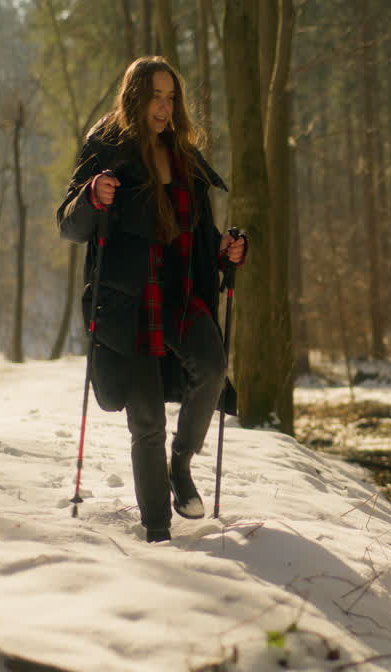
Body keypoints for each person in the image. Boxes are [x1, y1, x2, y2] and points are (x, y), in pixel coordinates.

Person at [57, 56, 246, 543]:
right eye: (155, 96)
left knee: (211, 365)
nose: (164, 107)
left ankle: (181, 465)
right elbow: (70, 226)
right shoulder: (106, 149)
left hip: (182, 295)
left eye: (170, 97)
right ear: (134, 97)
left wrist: (224, 249)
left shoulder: (186, 157)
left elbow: (200, 234)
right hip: (129, 302)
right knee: (146, 421)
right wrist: (93, 195)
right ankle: (157, 530)